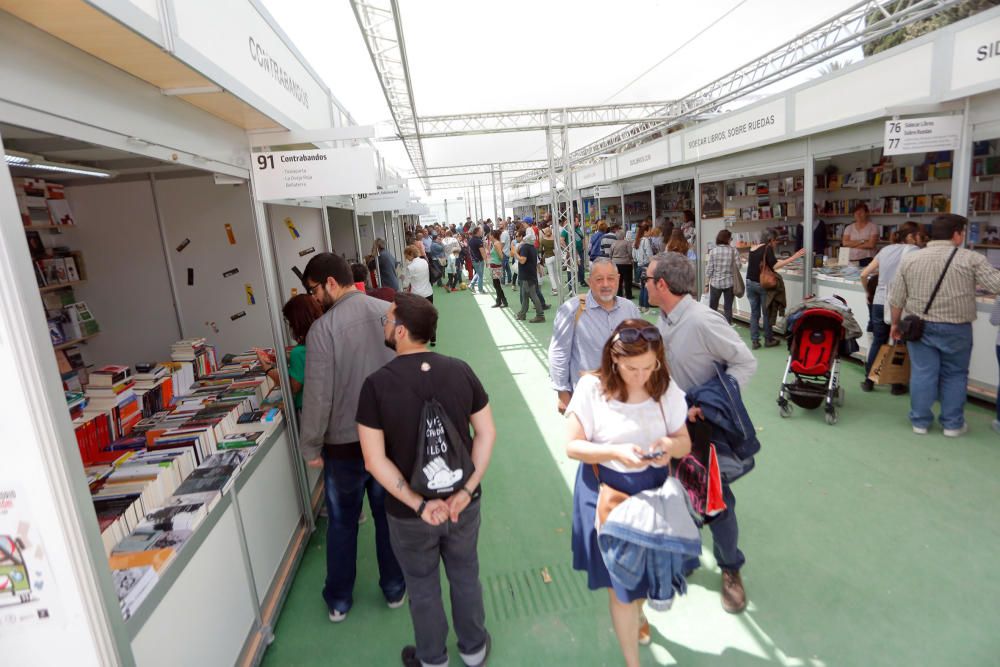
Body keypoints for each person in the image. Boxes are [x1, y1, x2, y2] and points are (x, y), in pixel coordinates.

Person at [357, 294, 495, 667]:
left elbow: (373, 459)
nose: (384, 325)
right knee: (466, 574)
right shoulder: (460, 370)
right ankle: (474, 649)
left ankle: (433, 658)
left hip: (409, 514)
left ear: (401, 331)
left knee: (422, 586)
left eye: (387, 320)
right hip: (463, 503)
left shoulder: (376, 385)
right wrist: (466, 489)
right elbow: (485, 433)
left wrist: (418, 503)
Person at [565, 319, 692, 666]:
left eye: (649, 367)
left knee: (644, 578)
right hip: (606, 493)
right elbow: (572, 446)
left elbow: (684, 443)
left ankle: (639, 612)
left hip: (652, 493)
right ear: (614, 359)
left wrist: (670, 445)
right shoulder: (592, 388)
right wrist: (614, 452)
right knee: (621, 588)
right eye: (632, 368)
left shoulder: (663, 387)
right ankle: (631, 661)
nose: (641, 376)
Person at [645, 251, 758, 614]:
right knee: (675, 495)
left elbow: (745, 362)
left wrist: (713, 404)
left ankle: (730, 570)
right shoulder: (663, 321)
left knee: (716, 500)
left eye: (648, 279)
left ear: (662, 284)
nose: (645, 284)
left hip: (704, 428)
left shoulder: (701, 320)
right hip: (675, 424)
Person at [298, 252, 406, 623]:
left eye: (313, 289)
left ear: (330, 282)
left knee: (343, 523)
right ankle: (394, 589)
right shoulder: (389, 312)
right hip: (390, 442)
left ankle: (340, 600)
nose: (313, 298)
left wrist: (310, 444)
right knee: (389, 516)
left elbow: (318, 396)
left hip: (343, 446)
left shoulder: (322, 331)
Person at [889, 214, 1000, 436]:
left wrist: (895, 324)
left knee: (922, 373)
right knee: (955, 374)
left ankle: (920, 422)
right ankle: (952, 424)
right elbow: (996, 284)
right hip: (957, 327)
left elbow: (897, 297)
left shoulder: (911, 259)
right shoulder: (971, 258)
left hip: (919, 326)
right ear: (957, 234)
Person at [549, 258, 641, 413]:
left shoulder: (630, 309)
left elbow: (640, 349)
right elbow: (559, 352)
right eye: (599, 279)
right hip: (588, 400)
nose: (606, 284)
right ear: (590, 282)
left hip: (625, 395)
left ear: (618, 280)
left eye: (611, 278)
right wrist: (562, 392)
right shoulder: (571, 310)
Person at [859, 221, 920, 394]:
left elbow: (864, 274)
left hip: (879, 300)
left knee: (879, 340)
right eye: (918, 236)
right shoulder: (914, 251)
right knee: (900, 343)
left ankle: (869, 381)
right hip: (900, 303)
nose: (919, 240)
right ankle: (896, 383)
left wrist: (868, 293)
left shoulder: (885, 250)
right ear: (910, 237)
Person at [255, 294, 322, 412]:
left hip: (307, 409)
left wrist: (268, 369)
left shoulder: (299, 352)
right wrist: (285, 359)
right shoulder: (320, 337)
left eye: (290, 321)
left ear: (297, 321)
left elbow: (292, 387)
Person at [746, 231, 805, 349]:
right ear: (771, 240)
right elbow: (775, 266)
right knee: (767, 312)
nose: (776, 243)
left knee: (754, 313)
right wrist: (794, 257)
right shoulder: (767, 249)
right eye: (776, 240)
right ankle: (769, 339)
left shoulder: (753, 248)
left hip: (750, 283)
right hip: (762, 284)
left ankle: (755, 341)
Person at [402, 246, 436, 346]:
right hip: (428, 292)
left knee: (417, 318)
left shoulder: (410, 267)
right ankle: (433, 339)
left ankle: (419, 339)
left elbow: (405, 284)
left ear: (410, 254)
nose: (406, 257)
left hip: (416, 295)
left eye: (406, 255)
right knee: (430, 317)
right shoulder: (424, 262)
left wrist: (402, 277)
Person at [705, 229, 740, 324]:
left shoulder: (713, 251)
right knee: (728, 307)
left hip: (715, 283)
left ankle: (712, 325)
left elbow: (709, 270)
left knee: (713, 307)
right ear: (727, 239)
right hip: (730, 283)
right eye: (730, 238)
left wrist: (706, 285)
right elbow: (738, 266)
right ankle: (727, 327)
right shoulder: (734, 251)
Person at [513, 228, 546, 323]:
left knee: (532, 295)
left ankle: (540, 315)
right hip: (530, 274)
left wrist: (516, 253)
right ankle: (522, 313)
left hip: (526, 275)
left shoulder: (525, 247)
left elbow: (522, 260)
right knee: (525, 295)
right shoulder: (532, 248)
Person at [633, 223, 656, 313]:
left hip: (639, 265)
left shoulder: (636, 240)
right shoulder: (645, 240)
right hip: (646, 265)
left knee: (642, 287)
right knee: (647, 287)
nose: (650, 232)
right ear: (645, 231)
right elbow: (649, 254)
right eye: (649, 230)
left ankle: (641, 305)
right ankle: (646, 307)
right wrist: (653, 262)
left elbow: (633, 256)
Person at [487, 229, 509, 309]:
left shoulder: (496, 244)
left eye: (490, 235)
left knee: (497, 285)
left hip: (496, 266)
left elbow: (501, 256)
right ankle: (499, 301)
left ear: (493, 235)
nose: (489, 236)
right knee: (496, 285)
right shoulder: (494, 243)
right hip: (494, 265)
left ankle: (502, 301)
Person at [610, 229, 634, 301]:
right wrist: (630, 259)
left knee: (618, 280)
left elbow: (610, 254)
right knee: (627, 280)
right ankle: (628, 295)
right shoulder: (627, 243)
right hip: (626, 263)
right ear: (624, 235)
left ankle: (619, 294)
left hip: (616, 263)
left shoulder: (613, 243)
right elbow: (630, 253)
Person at [540, 223, 558, 295]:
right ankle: (557, 287)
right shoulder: (554, 238)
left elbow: (541, 249)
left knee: (551, 275)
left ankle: (554, 289)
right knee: (555, 273)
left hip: (547, 257)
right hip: (555, 257)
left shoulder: (543, 240)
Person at [468, 228, 487, 295]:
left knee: (478, 273)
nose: (482, 232)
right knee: (480, 275)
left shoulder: (470, 240)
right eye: (481, 231)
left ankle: (471, 285)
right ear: (477, 232)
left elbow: (470, 251)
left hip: (474, 260)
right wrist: (486, 261)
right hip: (479, 261)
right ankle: (480, 290)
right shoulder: (478, 241)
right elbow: (482, 252)